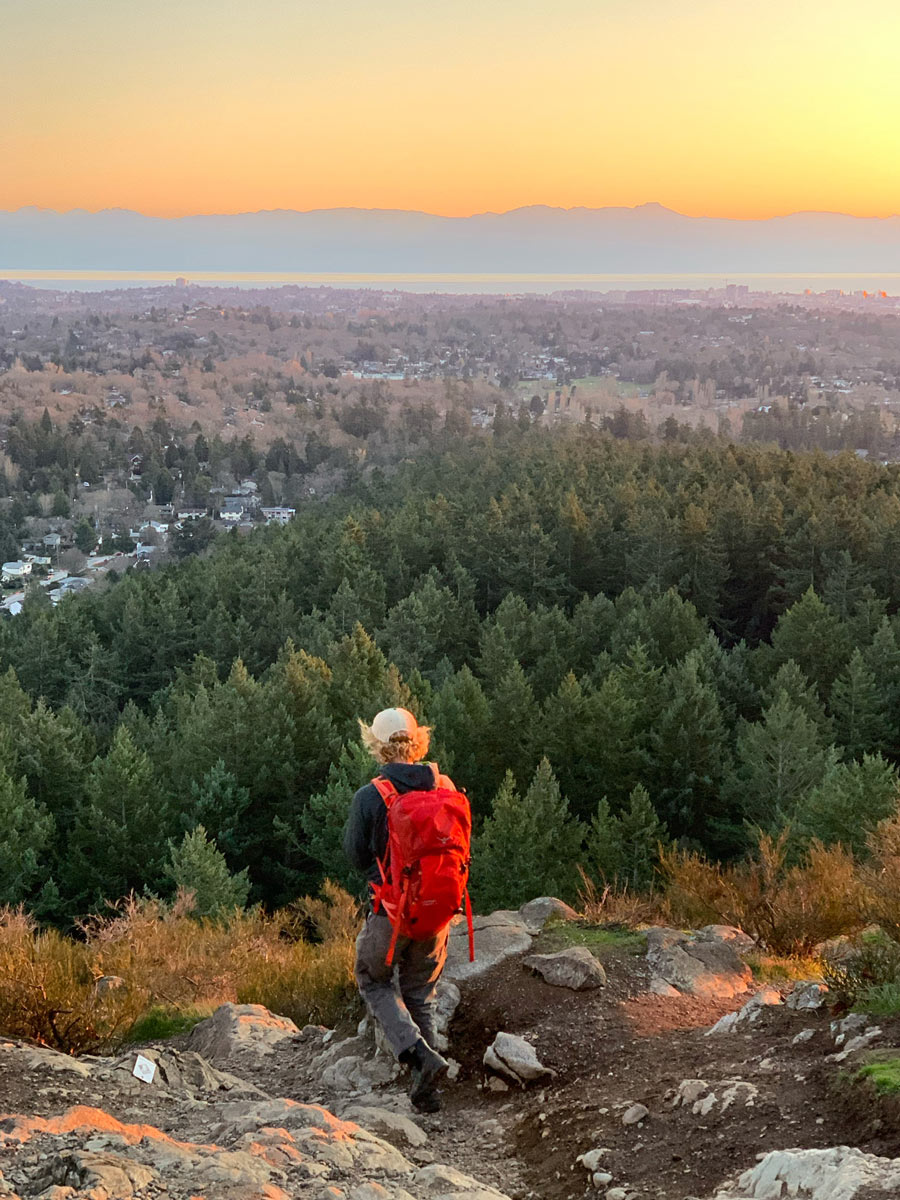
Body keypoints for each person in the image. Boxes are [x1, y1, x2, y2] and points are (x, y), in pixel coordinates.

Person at [343, 706, 458, 1113]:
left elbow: (356, 857)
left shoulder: (371, 796)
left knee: (373, 980)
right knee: (420, 992)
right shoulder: (444, 786)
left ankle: (418, 1055)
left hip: (391, 913)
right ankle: (427, 1091)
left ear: (376, 745)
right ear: (418, 741)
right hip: (439, 908)